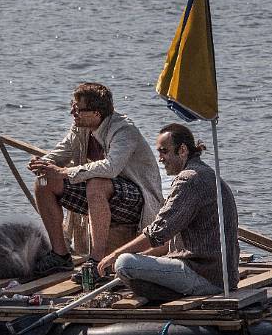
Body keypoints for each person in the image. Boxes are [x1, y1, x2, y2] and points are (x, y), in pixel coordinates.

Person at [27, 83, 162, 278]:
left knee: (96, 183)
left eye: (78, 109)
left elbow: (111, 167)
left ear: (96, 114)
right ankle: (60, 255)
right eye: (72, 105)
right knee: (44, 182)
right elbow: (61, 152)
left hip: (139, 199)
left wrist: (64, 172)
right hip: (103, 193)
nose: (72, 112)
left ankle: (96, 261)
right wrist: (43, 164)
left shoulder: (124, 130)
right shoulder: (81, 127)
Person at [97, 123, 239, 301]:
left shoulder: (189, 179)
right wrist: (143, 257)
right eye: (159, 152)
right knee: (134, 261)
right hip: (224, 277)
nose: (160, 158)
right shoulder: (205, 173)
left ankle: (170, 295)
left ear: (182, 150)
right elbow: (167, 239)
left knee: (124, 263)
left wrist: (114, 255)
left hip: (206, 277)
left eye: (164, 151)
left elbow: (157, 233)